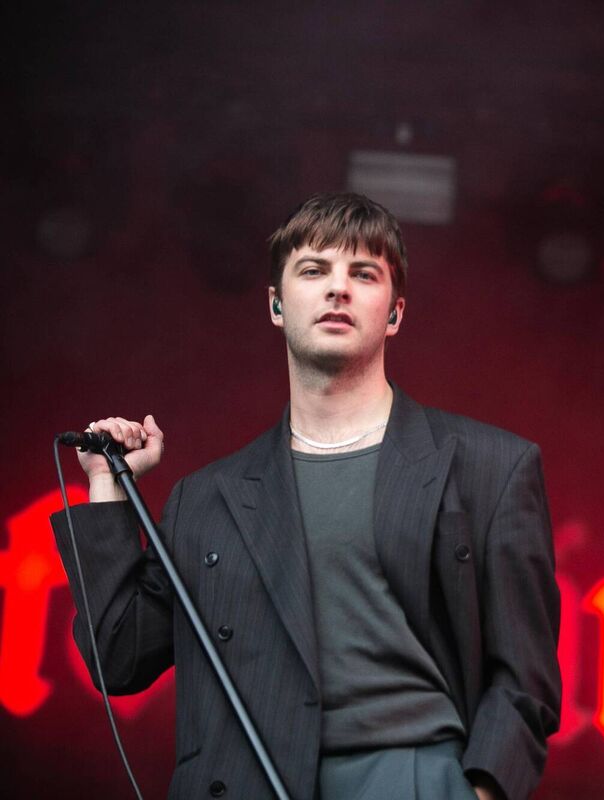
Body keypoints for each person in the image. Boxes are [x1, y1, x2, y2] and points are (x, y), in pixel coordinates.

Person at [50, 193, 562, 800]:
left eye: (363, 274)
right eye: (314, 270)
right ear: (275, 303)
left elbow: (524, 676)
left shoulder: (491, 467)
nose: (338, 288)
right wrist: (107, 485)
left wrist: (479, 792)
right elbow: (118, 659)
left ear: (394, 314)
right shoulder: (207, 499)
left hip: (416, 774)